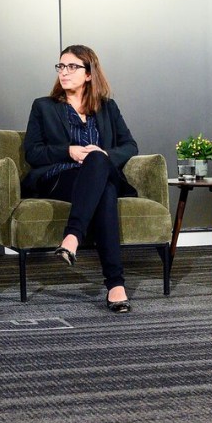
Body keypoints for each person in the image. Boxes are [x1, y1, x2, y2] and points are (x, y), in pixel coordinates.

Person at [23, 45, 138, 313]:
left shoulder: (108, 108)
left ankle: (72, 238)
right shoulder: (43, 107)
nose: (64, 72)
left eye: (72, 67)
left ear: (89, 73)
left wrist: (103, 154)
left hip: (98, 172)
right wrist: (69, 151)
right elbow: (33, 152)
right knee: (106, 191)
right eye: (61, 66)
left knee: (98, 161)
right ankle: (115, 285)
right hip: (60, 177)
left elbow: (130, 146)